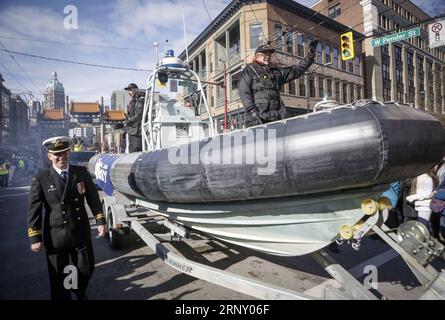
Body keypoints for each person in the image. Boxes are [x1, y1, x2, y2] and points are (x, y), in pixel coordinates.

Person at [27, 136, 106, 300]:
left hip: (80, 231)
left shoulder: (80, 172)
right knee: (58, 278)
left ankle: (77, 290)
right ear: (49, 156)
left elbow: (93, 198)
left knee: (87, 268)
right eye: (57, 154)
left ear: (68, 152)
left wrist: (100, 220)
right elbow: (34, 208)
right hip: (56, 236)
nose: (61, 157)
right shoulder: (41, 178)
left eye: (64, 153)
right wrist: (35, 236)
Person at [238, 40, 318, 127]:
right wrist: (252, 111)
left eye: (269, 54)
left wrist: (310, 57)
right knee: (262, 140)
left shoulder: (275, 72)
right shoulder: (249, 70)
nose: (267, 56)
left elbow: (295, 70)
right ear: (257, 56)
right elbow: (243, 91)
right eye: (264, 54)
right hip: (258, 119)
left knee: (278, 140)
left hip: (276, 118)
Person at [122, 83, 145, 152]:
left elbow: (139, 115)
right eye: (128, 90)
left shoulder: (141, 100)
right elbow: (130, 116)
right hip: (132, 131)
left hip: (137, 132)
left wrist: (128, 122)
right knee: (131, 151)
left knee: (136, 151)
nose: (129, 92)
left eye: (130, 90)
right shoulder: (132, 102)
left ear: (136, 89)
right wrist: (125, 128)